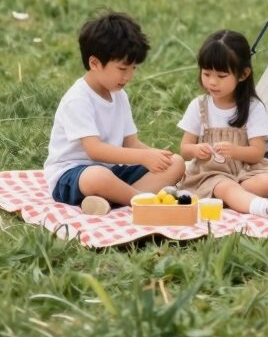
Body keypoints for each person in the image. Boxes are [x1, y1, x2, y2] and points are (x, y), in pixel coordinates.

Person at [44, 12, 186, 215]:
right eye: (122, 68)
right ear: (94, 63)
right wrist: (143, 156)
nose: (128, 76)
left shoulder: (119, 95)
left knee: (176, 163)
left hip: (111, 171)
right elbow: (95, 151)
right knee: (98, 177)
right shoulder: (78, 99)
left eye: (133, 68)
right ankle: (139, 200)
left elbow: (131, 143)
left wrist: (154, 155)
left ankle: (113, 200)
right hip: (73, 176)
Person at [177, 29, 268, 220]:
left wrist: (235, 152)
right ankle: (267, 208)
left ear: (243, 75)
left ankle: (234, 198)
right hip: (212, 173)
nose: (212, 82)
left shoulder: (253, 107)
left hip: (247, 171)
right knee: (225, 186)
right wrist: (196, 150)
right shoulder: (199, 106)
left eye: (221, 76)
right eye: (206, 73)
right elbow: (184, 148)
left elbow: (257, 153)